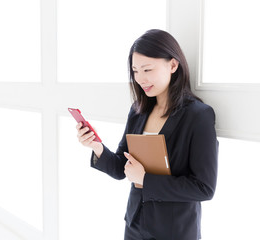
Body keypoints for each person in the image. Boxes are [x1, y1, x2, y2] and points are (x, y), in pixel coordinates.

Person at [76, 29, 218, 240]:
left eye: (147, 69)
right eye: (135, 71)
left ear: (173, 65)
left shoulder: (198, 116)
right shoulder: (138, 111)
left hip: (174, 232)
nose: (140, 79)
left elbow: (204, 188)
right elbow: (120, 168)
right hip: (135, 225)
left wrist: (145, 179)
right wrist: (97, 147)